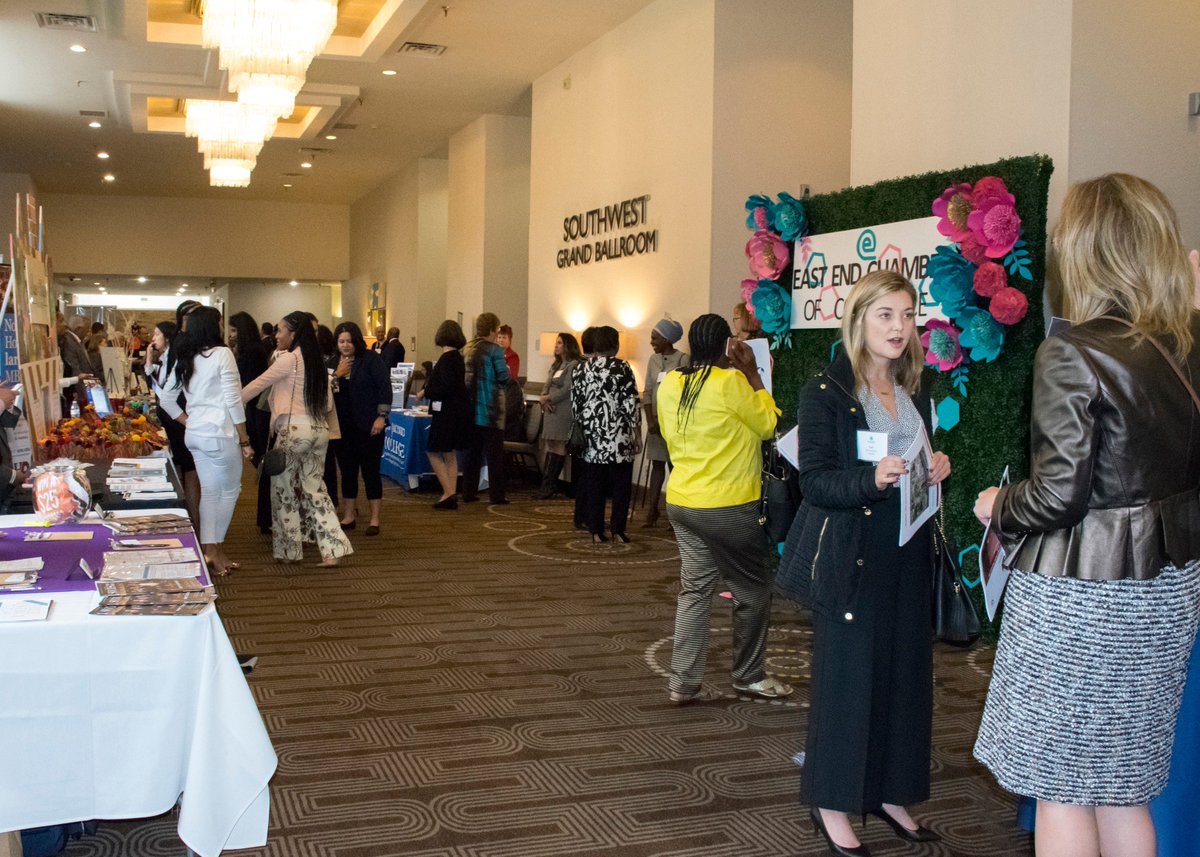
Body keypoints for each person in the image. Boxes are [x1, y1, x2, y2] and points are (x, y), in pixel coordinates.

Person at [972, 173, 1200, 857]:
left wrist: (998, 504)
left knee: (1063, 790)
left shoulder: (1072, 350)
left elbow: (1056, 496)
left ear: (1082, 250)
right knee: (1125, 790)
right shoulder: (1186, 347)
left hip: (1083, 597)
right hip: (1167, 592)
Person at [777, 269, 951, 855]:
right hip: (852, 559)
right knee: (848, 684)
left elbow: (913, 458)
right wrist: (869, 479)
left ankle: (890, 792)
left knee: (904, 680)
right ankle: (831, 801)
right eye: (885, 315)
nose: (899, 327)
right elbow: (816, 482)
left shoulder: (913, 388)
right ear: (858, 320)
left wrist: (935, 467)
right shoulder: (825, 391)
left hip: (907, 554)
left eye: (907, 315)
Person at [656, 313, 791, 706]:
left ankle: (683, 683)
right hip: (728, 506)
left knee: (695, 590)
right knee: (753, 591)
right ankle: (749, 676)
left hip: (682, 501)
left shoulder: (671, 383)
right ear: (726, 346)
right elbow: (768, 425)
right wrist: (754, 376)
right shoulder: (731, 382)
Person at [241, 311, 353, 567]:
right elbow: (327, 404)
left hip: (292, 431)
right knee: (316, 490)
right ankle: (332, 550)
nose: (276, 335)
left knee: (283, 492)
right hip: (318, 430)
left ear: (293, 334)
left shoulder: (289, 360)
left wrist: (228, 403)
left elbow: (254, 387)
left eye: (280, 330)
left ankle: (289, 550)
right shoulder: (317, 362)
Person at [157, 306, 252, 577]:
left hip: (196, 434)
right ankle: (213, 550)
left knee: (210, 492)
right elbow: (233, 400)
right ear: (212, 326)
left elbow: (166, 399)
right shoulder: (222, 354)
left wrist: (188, 421)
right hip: (219, 434)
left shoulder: (187, 357)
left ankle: (212, 550)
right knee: (229, 492)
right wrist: (244, 438)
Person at [571, 325, 640, 542]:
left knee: (594, 484)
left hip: (592, 437)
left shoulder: (580, 369)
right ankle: (618, 529)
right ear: (615, 345)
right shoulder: (622, 367)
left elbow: (576, 404)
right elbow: (630, 404)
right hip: (619, 436)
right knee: (621, 485)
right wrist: (637, 433)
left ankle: (596, 531)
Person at [331, 322, 391, 535]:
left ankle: (374, 519)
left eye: (349, 341)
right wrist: (336, 375)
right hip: (342, 427)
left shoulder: (370, 359)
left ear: (356, 341)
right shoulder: (332, 363)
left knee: (370, 472)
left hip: (369, 425)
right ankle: (349, 515)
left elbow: (384, 387)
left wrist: (381, 417)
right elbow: (324, 391)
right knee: (347, 472)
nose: (345, 345)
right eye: (341, 341)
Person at [145, 319, 201, 531]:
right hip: (173, 419)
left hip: (178, 420)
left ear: (167, 337)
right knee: (183, 469)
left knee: (189, 470)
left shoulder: (176, 357)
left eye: (157, 334)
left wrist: (187, 422)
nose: (153, 339)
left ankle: (194, 523)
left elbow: (167, 394)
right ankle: (188, 518)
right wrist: (149, 357)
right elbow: (154, 382)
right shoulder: (166, 357)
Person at [641, 317, 688, 526]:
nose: (651, 342)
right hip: (655, 423)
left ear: (667, 339)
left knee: (674, 468)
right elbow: (648, 391)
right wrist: (650, 420)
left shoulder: (683, 360)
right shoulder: (653, 360)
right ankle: (652, 511)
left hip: (673, 424)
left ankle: (674, 515)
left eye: (655, 338)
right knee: (656, 465)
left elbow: (684, 394)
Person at [420, 320, 471, 510]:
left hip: (447, 412)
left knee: (433, 450)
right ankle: (450, 493)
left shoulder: (447, 359)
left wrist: (427, 391)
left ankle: (448, 492)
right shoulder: (457, 358)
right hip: (456, 411)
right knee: (449, 453)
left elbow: (447, 388)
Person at [229, 311, 272, 534]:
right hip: (251, 410)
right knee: (260, 462)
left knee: (262, 461)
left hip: (257, 411)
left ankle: (267, 517)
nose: (231, 334)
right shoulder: (246, 351)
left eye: (234, 330)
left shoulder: (253, 352)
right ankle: (266, 517)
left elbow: (250, 386)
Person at [461, 312, 511, 505]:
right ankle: (497, 495)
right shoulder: (495, 351)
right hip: (491, 410)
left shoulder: (468, 348)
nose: (498, 332)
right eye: (497, 329)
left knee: (472, 453)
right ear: (491, 330)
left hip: (470, 408)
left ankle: (468, 492)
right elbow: (503, 377)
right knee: (494, 456)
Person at [535, 332, 582, 499]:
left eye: (560, 343)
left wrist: (549, 398)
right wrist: (543, 397)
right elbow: (547, 383)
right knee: (551, 444)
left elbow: (568, 388)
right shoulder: (556, 365)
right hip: (550, 409)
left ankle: (549, 485)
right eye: (556, 342)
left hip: (562, 409)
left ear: (568, 345)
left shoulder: (573, 365)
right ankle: (547, 484)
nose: (556, 345)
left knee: (559, 444)